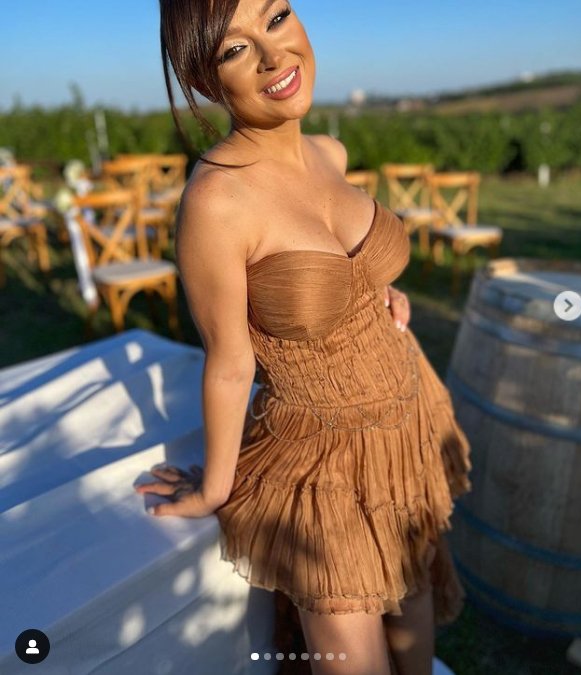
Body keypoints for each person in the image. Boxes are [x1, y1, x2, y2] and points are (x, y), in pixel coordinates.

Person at [135, 1, 473, 673]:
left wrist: (375, 293)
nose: (273, 55)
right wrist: (214, 489)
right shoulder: (215, 201)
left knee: (415, 628)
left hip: (408, 419)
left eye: (277, 17)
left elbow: (341, 262)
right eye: (235, 50)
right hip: (324, 464)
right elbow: (229, 362)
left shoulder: (329, 153)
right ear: (204, 79)